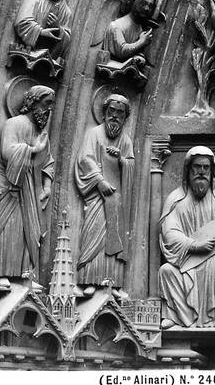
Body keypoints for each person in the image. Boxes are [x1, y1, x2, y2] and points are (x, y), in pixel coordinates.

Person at [159, 147, 215, 329]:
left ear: (212, 172)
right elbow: (169, 233)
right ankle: (175, 315)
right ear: (188, 170)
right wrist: (194, 245)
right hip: (186, 260)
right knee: (166, 271)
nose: (202, 172)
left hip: (214, 259)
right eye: (197, 167)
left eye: (206, 168)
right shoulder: (176, 199)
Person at [75, 94, 134, 294]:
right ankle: (89, 280)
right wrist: (99, 181)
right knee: (94, 234)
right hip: (98, 196)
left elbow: (131, 166)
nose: (115, 117)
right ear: (104, 113)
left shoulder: (125, 140)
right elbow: (85, 159)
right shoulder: (94, 133)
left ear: (125, 117)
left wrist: (121, 160)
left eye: (120, 113)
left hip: (116, 198)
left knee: (114, 236)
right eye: (112, 111)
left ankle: (112, 282)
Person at [0, 86, 54, 290]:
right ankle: (2, 273)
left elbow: (48, 160)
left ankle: (25, 274)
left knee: (28, 230)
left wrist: (47, 186)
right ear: (33, 102)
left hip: (30, 188)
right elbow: (7, 152)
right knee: (10, 228)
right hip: (9, 185)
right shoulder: (14, 124)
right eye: (46, 104)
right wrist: (33, 149)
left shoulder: (41, 132)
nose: (49, 110)